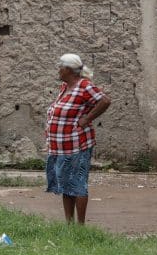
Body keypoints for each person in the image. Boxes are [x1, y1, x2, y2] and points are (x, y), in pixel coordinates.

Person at [45, 53, 111, 224]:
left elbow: (104, 101)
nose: (58, 70)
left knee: (78, 184)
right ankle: (69, 224)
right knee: (67, 185)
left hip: (77, 144)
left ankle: (80, 226)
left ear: (69, 70)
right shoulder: (64, 88)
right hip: (62, 146)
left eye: (61, 67)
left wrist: (87, 119)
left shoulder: (84, 86)